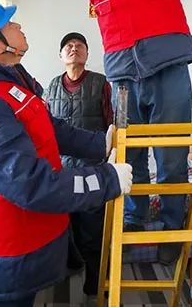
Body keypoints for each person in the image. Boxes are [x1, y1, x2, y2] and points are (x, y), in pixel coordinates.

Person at [43, 0, 192, 264]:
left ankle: (171, 236)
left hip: (168, 66)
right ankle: (132, 224)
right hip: (124, 77)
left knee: (171, 158)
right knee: (131, 158)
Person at [0, 0, 133, 307]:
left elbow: (50, 128)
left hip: (28, 244)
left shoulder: (9, 83)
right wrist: (106, 180)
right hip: (9, 255)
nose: (17, 25)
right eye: (8, 23)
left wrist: (100, 143)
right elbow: (31, 183)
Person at [43, 32, 112, 297]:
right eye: (69, 46)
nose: (74, 49)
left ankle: (95, 281)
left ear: (87, 54)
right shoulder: (51, 86)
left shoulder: (101, 83)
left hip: (92, 167)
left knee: (93, 227)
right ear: (61, 56)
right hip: (61, 169)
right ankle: (68, 269)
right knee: (65, 224)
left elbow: (111, 124)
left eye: (80, 46)